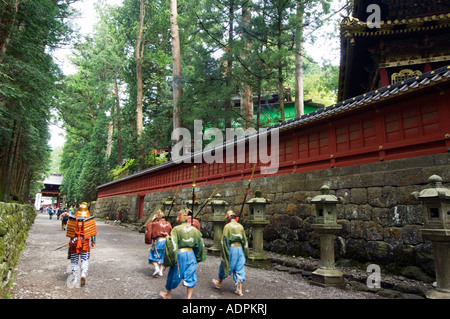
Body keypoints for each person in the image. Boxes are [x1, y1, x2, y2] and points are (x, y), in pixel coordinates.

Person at [159, 209, 206, 299]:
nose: (177, 217)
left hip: (180, 255)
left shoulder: (176, 230)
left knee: (174, 273)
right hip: (191, 254)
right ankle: (188, 298)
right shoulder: (195, 230)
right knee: (191, 274)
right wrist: (197, 257)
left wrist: (170, 258)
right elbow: (200, 244)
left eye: (178, 216)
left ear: (181, 217)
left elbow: (173, 244)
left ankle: (168, 294)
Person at [212, 209, 249, 296]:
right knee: (240, 268)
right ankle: (239, 289)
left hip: (231, 249)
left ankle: (219, 283)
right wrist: (245, 252)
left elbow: (224, 240)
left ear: (228, 217)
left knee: (225, 264)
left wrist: (224, 252)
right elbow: (244, 240)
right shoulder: (240, 226)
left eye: (226, 215)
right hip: (239, 249)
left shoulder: (227, 226)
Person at [66, 202, 97, 286]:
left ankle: (75, 276)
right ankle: (83, 273)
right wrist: (93, 242)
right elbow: (92, 233)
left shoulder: (73, 219)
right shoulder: (89, 220)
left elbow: (70, 233)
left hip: (74, 242)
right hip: (85, 242)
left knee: (74, 260)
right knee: (85, 259)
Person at [145, 209, 172, 277]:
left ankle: (156, 268)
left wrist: (152, 219)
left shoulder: (155, 224)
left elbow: (148, 227)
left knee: (153, 256)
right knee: (163, 256)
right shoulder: (168, 224)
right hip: (166, 241)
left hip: (158, 241)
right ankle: (161, 271)